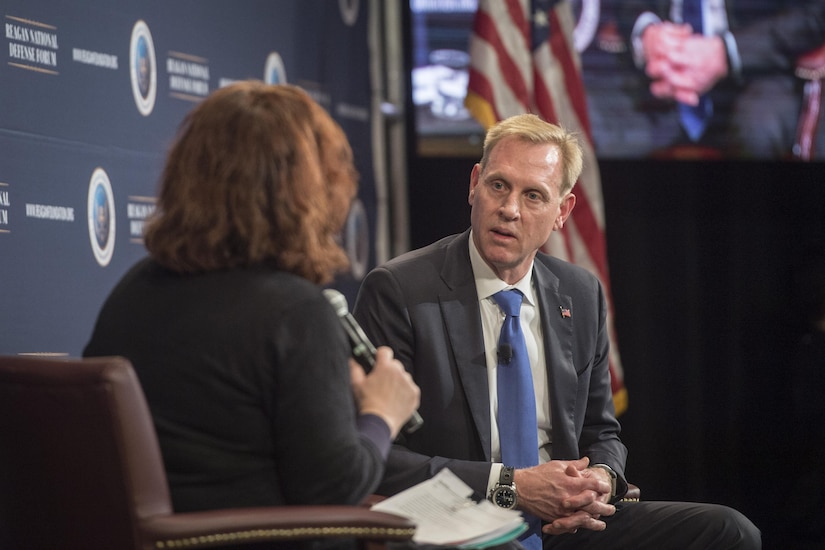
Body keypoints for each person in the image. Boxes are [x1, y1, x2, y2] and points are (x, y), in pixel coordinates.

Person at [353, 113, 761, 548]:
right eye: (498, 186)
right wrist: (510, 484)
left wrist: (599, 480)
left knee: (729, 531)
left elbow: (602, 431)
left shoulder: (580, 293)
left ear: (562, 211)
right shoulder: (400, 289)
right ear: (474, 184)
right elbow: (375, 453)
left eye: (533, 195)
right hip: (462, 518)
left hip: (562, 523)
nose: (509, 209)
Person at [83, 81, 420, 515]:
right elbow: (335, 489)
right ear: (308, 190)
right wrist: (381, 412)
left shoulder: (135, 288)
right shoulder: (296, 312)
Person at [623, 0, 825, 158]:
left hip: (761, 67)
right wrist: (647, 32)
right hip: (663, 72)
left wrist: (726, 52)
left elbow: (815, 14)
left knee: (757, 130)